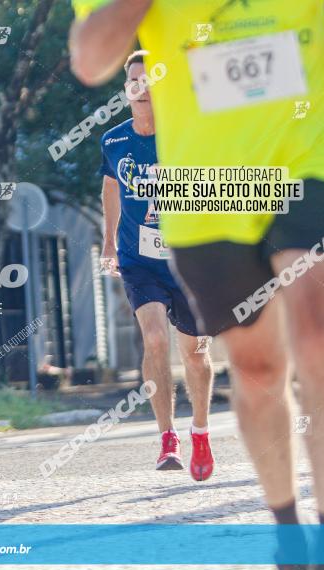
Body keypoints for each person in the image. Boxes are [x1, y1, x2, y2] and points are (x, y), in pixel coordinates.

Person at [71, 2, 324, 570]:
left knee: (319, 341)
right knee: (256, 369)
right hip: (206, 182)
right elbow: (91, 59)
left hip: (309, 156)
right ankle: (288, 535)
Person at [98, 50, 214, 479]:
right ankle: (168, 438)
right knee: (155, 341)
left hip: (188, 261)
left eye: (150, 81)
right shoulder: (113, 141)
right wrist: (108, 243)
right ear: (126, 89)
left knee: (196, 354)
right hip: (138, 261)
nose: (142, 88)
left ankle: (200, 431)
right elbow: (111, 186)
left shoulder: (188, 136)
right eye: (134, 81)